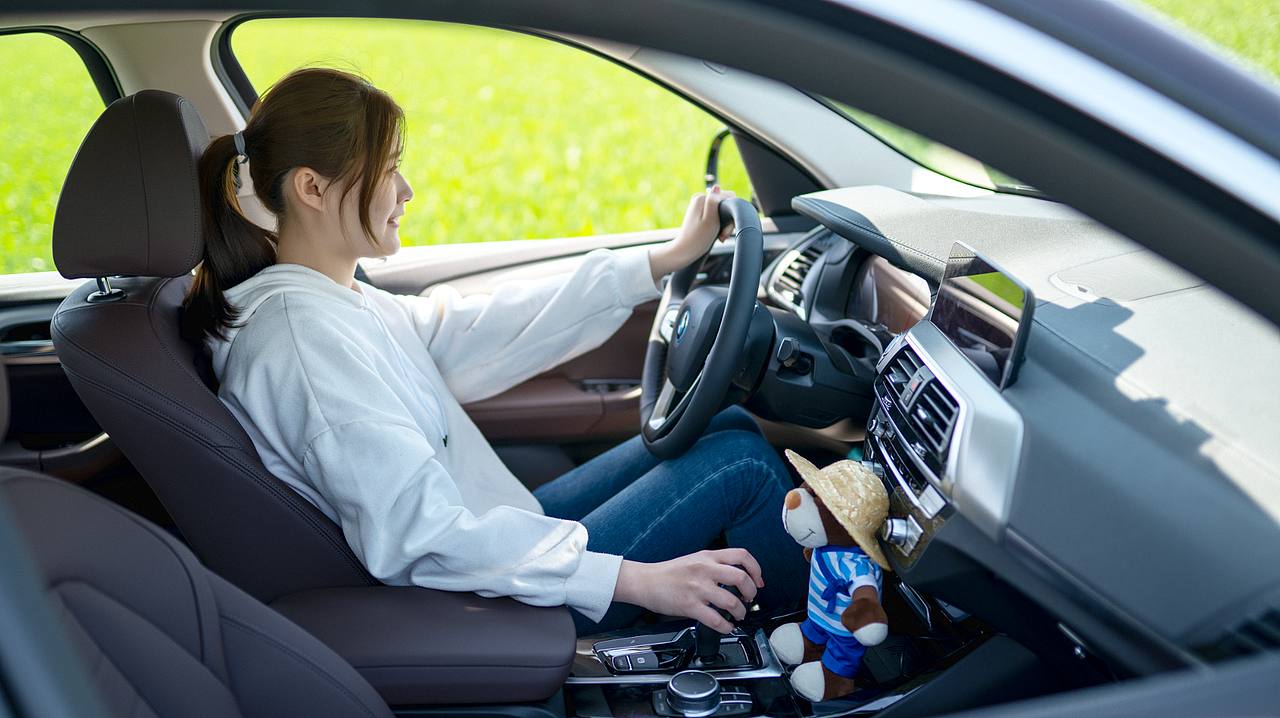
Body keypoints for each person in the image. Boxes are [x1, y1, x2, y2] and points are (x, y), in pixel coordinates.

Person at [184, 67, 806, 635]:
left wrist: (661, 261)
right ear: (313, 188)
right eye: (387, 170)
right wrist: (639, 580)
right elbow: (418, 536)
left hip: (499, 537)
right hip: (487, 597)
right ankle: (815, 662)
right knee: (740, 468)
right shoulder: (300, 344)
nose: (406, 193)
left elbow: (469, 331)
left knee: (725, 424)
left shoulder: (329, 301)